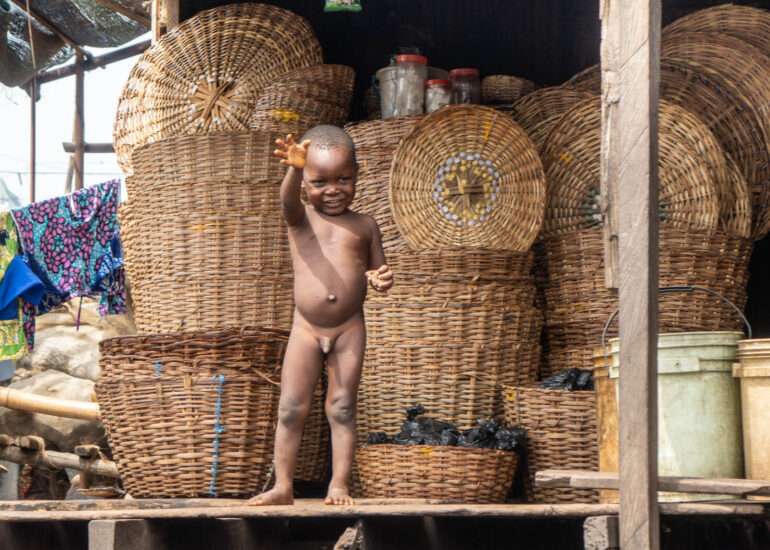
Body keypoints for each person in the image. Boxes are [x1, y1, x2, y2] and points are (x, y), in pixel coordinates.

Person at [249, 126, 393, 506]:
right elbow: (286, 203)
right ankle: (283, 486)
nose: (333, 189)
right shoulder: (302, 218)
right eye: (319, 181)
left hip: (349, 327)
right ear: (305, 185)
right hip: (306, 328)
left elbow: (378, 271)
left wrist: (381, 279)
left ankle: (339, 485)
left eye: (344, 179)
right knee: (291, 407)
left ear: (357, 176)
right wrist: (293, 171)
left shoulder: (365, 226)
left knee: (342, 407)